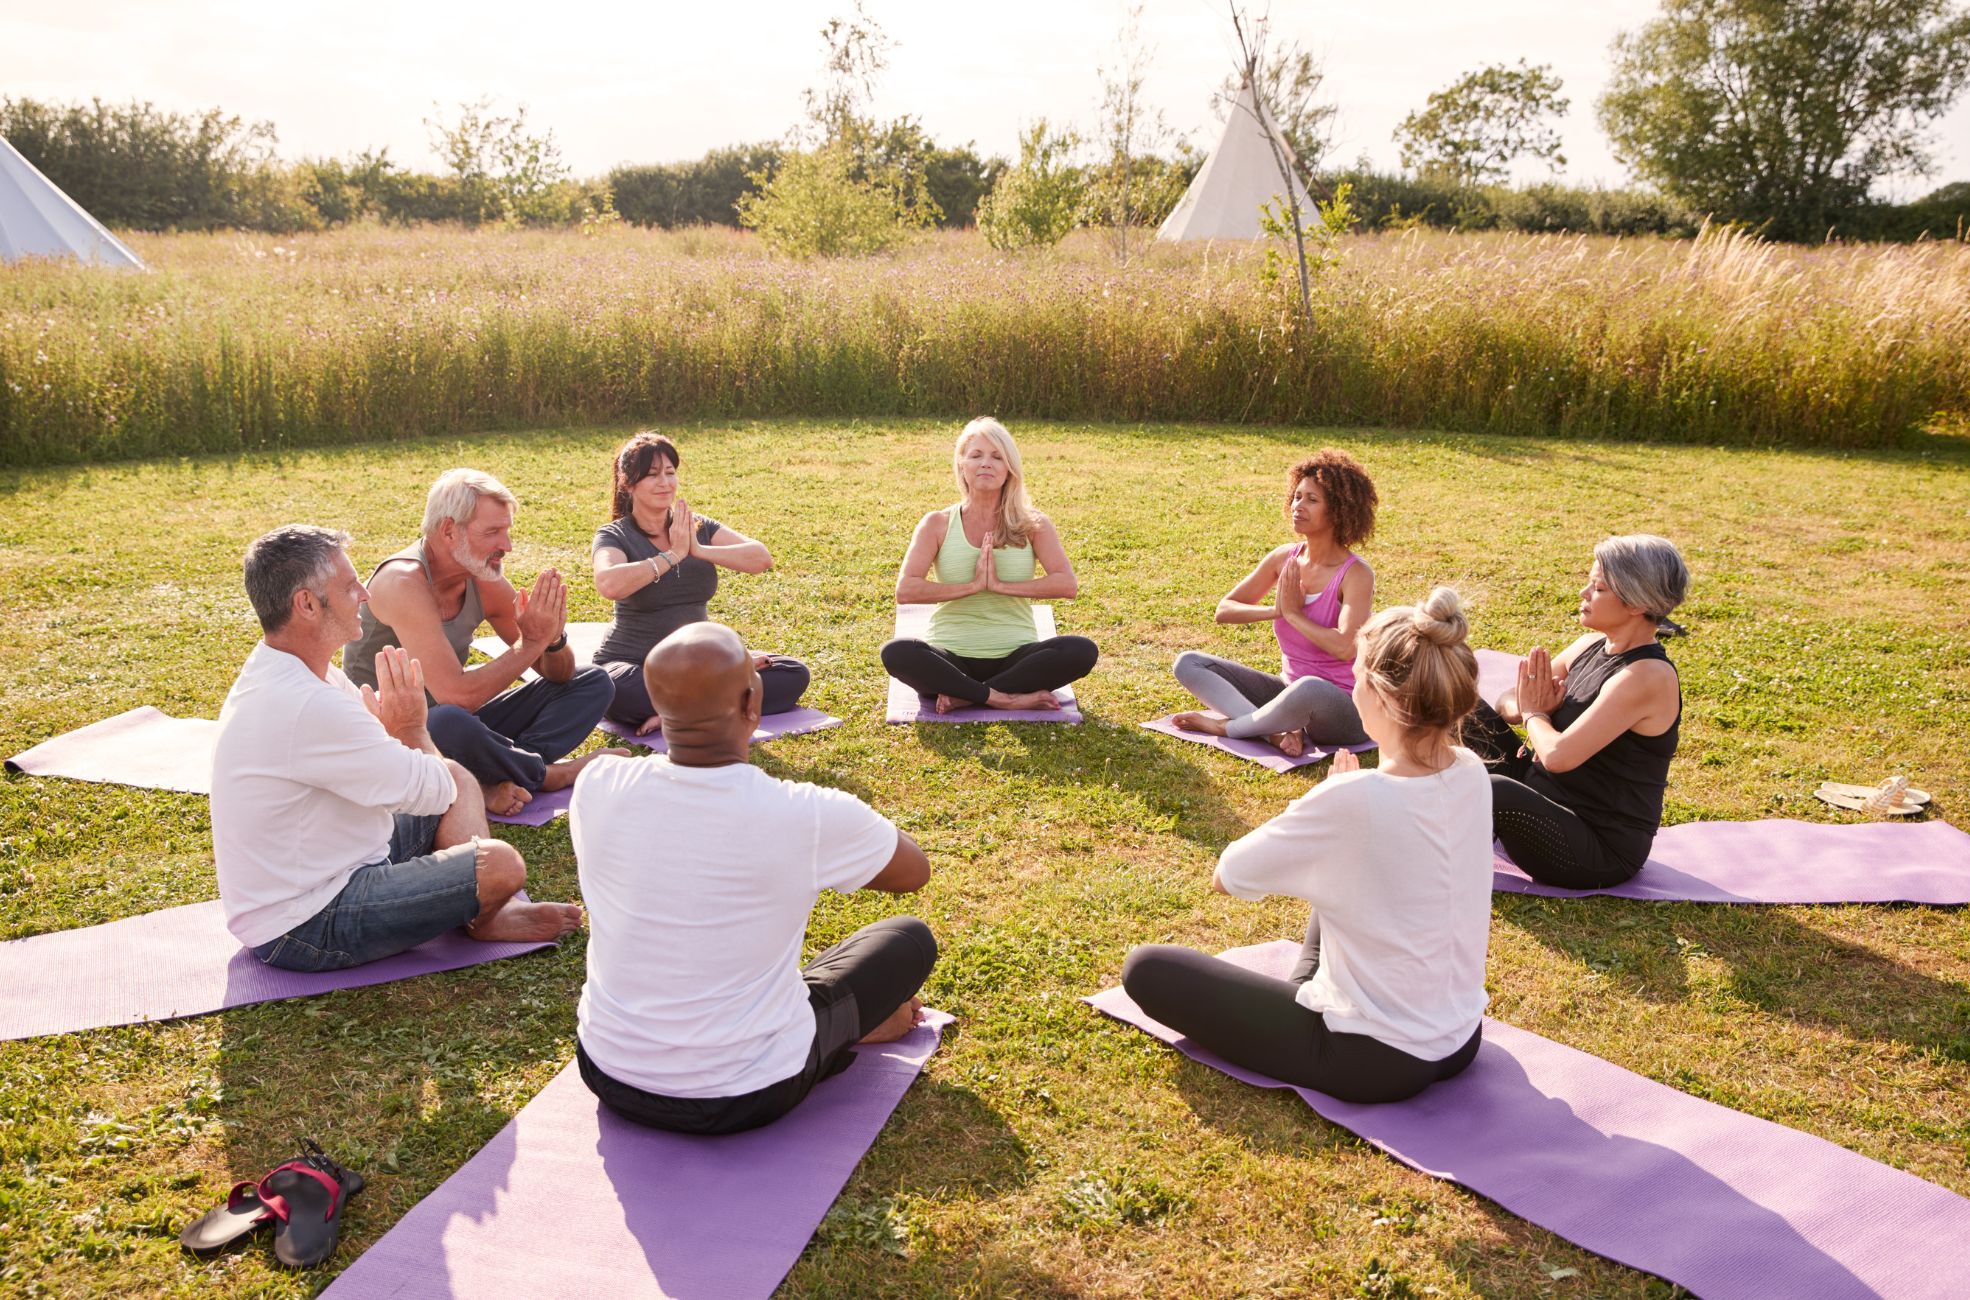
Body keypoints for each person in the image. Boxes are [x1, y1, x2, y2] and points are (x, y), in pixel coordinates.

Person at [1122, 588, 1490, 1105]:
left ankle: (1303, 1005)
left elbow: (1227, 876)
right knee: (1346, 876)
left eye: (1358, 675)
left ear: (1380, 696)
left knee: (1147, 969)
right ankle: (1305, 997)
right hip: (1459, 1038)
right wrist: (1345, 811)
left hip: (1375, 1058)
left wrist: (1333, 799)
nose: (1353, 686)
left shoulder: (1353, 799)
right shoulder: (1470, 771)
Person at [570, 622, 938, 1135]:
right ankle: (852, 1026)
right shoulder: (804, 812)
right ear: (752, 705)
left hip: (607, 1070)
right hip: (747, 1091)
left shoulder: (598, 783)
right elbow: (912, 871)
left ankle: (826, 1021)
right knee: (907, 940)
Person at [212, 525, 583, 971]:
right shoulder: (305, 702)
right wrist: (410, 728)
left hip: (338, 860)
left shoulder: (292, 668)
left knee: (460, 775)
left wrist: (398, 737)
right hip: (305, 923)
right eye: (350, 586)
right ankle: (483, 913)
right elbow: (431, 788)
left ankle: (481, 910)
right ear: (307, 604)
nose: (365, 596)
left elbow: (417, 774)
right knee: (499, 864)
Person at [343, 468, 623, 816]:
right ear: (449, 530)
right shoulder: (402, 583)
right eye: (492, 532)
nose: (506, 546)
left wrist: (552, 639)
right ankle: (547, 774)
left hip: (459, 728)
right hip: (393, 739)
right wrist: (532, 641)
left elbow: (560, 676)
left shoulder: (479, 574)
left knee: (593, 682)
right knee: (447, 720)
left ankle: (501, 771)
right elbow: (457, 695)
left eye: (506, 531)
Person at [1465, 534, 1687, 890]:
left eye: (1597, 588)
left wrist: (1536, 713)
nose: (1584, 593)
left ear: (1634, 602)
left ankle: (1420, 853)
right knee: (1460, 707)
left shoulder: (1646, 676)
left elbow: (1557, 755)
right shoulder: (1590, 645)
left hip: (1595, 845)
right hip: (1540, 792)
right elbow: (1510, 699)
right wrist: (1531, 707)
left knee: (1493, 791)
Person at [590, 431, 810, 734]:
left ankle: (678, 713)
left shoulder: (696, 527)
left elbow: (761, 558)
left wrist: (698, 550)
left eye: (670, 472)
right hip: (633, 664)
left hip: (697, 666)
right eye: (653, 475)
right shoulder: (615, 535)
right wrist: (672, 556)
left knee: (792, 673)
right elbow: (609, 583)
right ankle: (712, 705)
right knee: (612, 689)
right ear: (629, 483)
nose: (665, 483)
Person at [880, 417, 1098, 712]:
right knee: (897, 652)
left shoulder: (1033, 524)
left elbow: (1066, 584)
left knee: (1081, 650)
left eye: (997, 457)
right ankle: (1003, 697)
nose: (986, 463)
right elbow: (906, 590)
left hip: (1017, 655)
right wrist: (971, 587)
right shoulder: (937, 523)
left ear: (1009, 469)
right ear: (962, 465)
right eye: (976, 455)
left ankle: (968, 695)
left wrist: (1000, 587)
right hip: (950, 657)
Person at [1170, 450, 1378, 756]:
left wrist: (1294, 615)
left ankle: (1227, 727)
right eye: (1297, 496)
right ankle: (1275, 733)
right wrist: (1277, 610)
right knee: (1188, 663)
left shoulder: (1356, 574)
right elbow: (1224, 610)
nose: (1298, 506)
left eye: (1311, 500)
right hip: (1288, 693)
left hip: (1343, 707)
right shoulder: (1284, 558)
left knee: (1309, 687)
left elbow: (1345, 646)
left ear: (1338, 510)